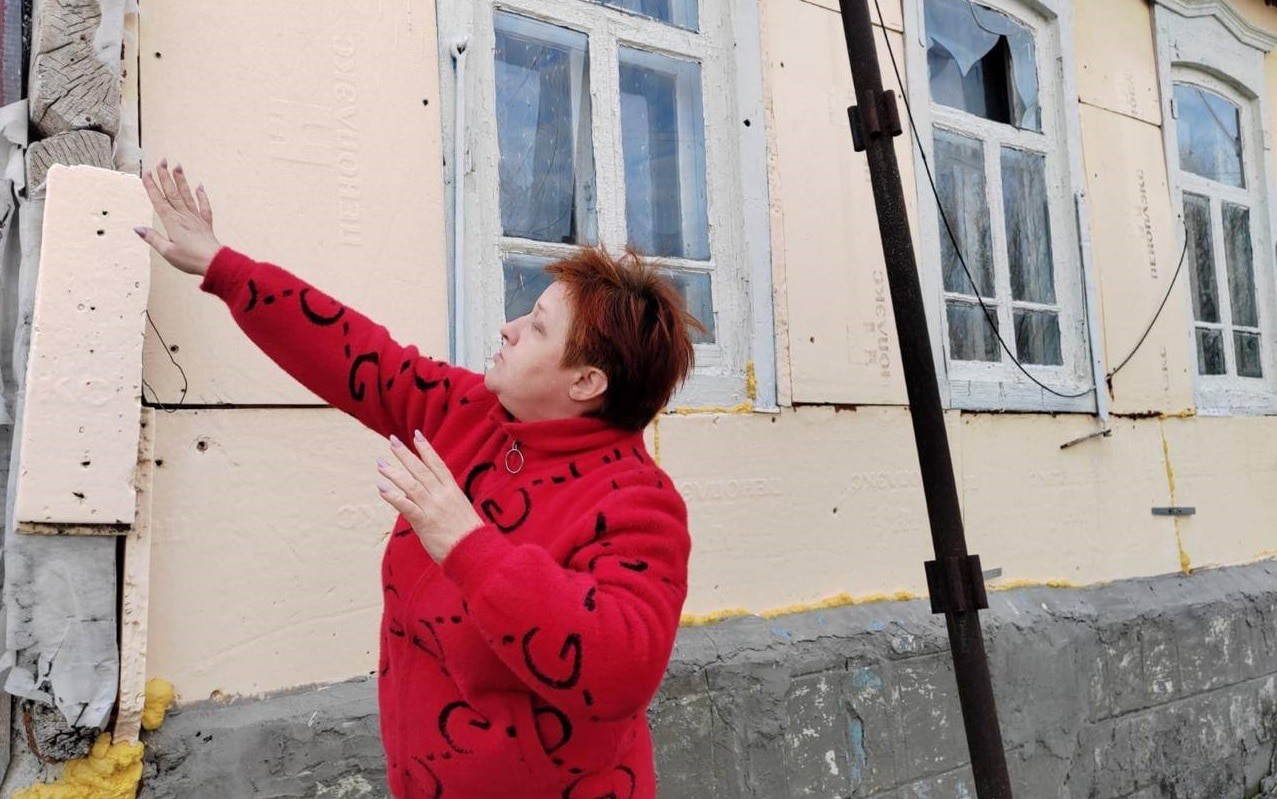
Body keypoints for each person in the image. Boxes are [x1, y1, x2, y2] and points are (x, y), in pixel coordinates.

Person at [135, 160, 699, 799]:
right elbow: (359, 356)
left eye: (537, 326)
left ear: (586, 382)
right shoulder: (473, 413)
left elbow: (622, 671)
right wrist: (223, 267)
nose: (509, 327)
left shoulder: (637, 503)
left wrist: (470, 547)